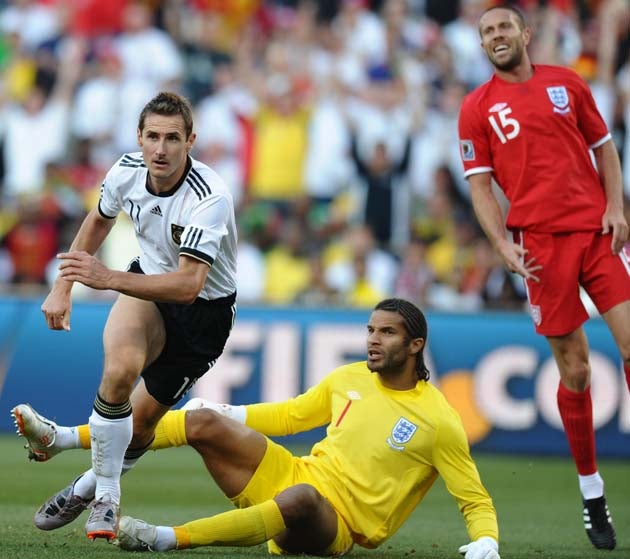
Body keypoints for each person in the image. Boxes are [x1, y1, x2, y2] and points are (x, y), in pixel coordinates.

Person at [13, 298, 501, 559]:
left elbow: (474, 499)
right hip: (291, 474)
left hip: (332, 525)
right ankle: (63, 439)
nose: (373, 340)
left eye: (387, 333)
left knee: (302, 499)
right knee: (202, 419)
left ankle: (163, 537)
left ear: (415, 345)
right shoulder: (351, 377)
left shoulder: (438, 419)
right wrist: (228, 412)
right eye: (371, 330)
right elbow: (291, 416)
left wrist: (488, 541)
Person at [11, 91, 238, 542]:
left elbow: (188, 286)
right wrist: (63, 285)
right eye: (152, 136)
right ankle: (107, 498)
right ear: (138, 137)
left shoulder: (209, 197)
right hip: (145, 286)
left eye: (172, 138)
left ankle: (81, 481)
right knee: (118, 373)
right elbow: (100, 219)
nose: (160, 149)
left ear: (190, 141)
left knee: (140, 427)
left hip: (203, 316)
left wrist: (107, 277)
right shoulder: (125, 170)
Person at [457, 5, 630, 551]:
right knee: (575, 370)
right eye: (487, 31)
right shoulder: (476, 108)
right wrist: (501, 243)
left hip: (597, 234)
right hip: (539, 248)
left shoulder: (568, 83)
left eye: (504, 27)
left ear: (525, 34)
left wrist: (617, 207)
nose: (496, 36)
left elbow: (604, 148)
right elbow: (481, 187)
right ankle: (592, 491)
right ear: (482, 45)